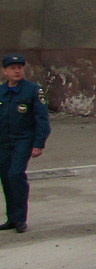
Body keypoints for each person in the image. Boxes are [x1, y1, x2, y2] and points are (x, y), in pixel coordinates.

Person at [0, 54, 51, 233]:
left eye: (19, 67)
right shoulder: (1, 91)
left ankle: (21, 219)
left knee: (15, 174)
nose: (17, 70)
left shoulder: (32, 90)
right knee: (6, 178)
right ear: (4, 71)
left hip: (23, 139)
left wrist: (39, 143)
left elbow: (42, 119)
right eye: (12, 68)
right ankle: (12, 218)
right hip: (3, 141)